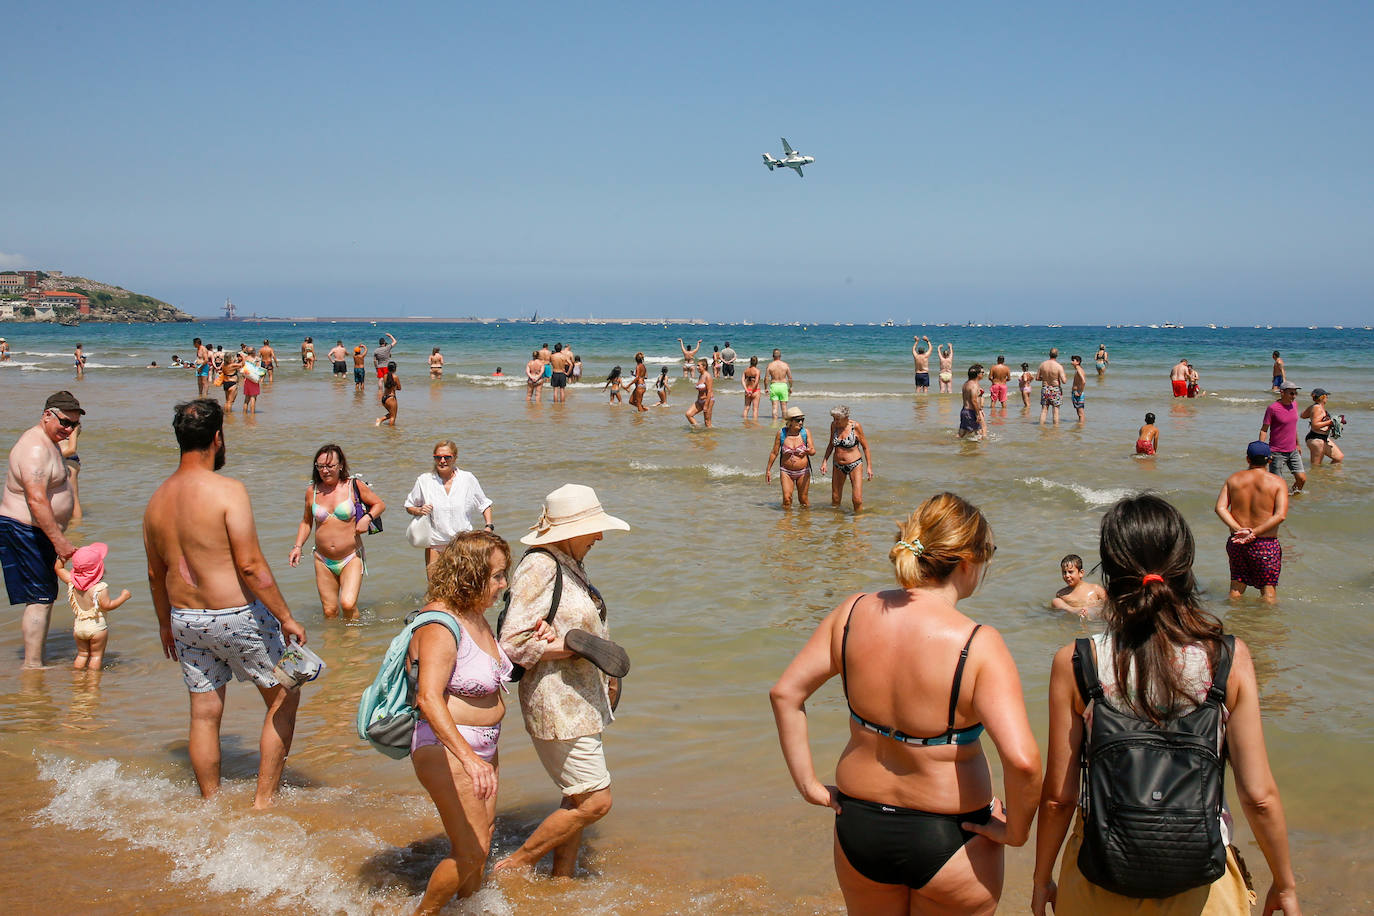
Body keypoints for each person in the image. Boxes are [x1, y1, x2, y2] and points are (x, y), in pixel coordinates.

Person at [771, 492, 1041, 915]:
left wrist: (808, 784)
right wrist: (1018, 831)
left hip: (859, 829)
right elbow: (1023, 761)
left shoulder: (855, 611)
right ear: (966, 561)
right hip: (953, 834)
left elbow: (785, 693)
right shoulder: (977, 643)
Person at [1032, 494, 1300, 916]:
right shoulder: (1226, 659)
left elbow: (1058, 799)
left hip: (1098, 876)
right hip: (1201, 882)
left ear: (1112, 572)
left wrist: (1041, 877)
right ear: (1184, 566)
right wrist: (1284, 884)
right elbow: (1259, 796)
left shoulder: (1078, 661)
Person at [142, 398, 307, 808]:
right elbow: (250, 565)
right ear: (217, 438)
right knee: (285, 696)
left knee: (204, 713)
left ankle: (210, 803)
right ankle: (263, 801)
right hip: (235, 616)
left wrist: (165, 624)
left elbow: (154, 573)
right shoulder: (227, 490)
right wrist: (285, 616)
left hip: (185, 619)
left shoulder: (156, 502)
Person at [494, 484, 631, 877]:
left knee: (577, 797)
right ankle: (513, 866)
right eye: (594, 528)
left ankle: (563, 881)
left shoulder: (568, 562)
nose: (600, 536)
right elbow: (512, 642)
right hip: (556, 701)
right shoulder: (540, 565)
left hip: (579, 701)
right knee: (595, 802)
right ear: (571, 531)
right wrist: (573, 648)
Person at [407, 531, 521, 911]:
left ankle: (464, 908)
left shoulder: (476, 616)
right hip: (448, 747)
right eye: (498, 576)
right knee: (472, 850)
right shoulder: (440, 625)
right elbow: (428, 698)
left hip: (484, 745)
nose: (503, 584)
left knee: (483, 837)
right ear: (471, 575)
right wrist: (470, 760)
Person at [1, 391, 83, 668]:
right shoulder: (34, 448)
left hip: (36, 530)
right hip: (25, 529)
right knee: (39, 598)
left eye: (74, 425)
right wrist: (59, 540)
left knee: (44, 595)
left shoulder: (48, 442)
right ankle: (32, 664)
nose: (69, 429)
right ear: (47, 415)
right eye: (64, 422)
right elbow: (36, 500)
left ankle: (37, 658)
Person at [288, 444, 385, 620]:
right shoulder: (312, 491)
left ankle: (352, 643)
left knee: (347, 604)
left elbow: (379, 504)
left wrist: (367, 518)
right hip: (322, 559)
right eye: (320, 466)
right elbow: (306, 522)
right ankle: (334, 644)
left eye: (330, 466)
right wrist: (297, 546)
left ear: (340, 465)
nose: (325, 471)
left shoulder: (353, 485)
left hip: (351, 556)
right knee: (329, 611)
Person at [405, 439, 494, 572]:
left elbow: (484, 504)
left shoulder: (467, 479)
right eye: (438, 457)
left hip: (463, 543)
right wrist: (419, 510)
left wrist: (489, 526)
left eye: (447, 457)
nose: (442, 461)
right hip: (435, 544)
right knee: (436, 589)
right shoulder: (424, 480)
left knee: (463, 587)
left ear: (455, 458)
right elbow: (409, 506)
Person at [1215, 441, 1288, 603]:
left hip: (1237, 541)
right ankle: (1265, 626)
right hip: (1265, 544)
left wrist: (1239, 529)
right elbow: (1280, 515)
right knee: (1268, 591)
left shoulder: (1233, 479)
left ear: (1248, 459)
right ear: (1269, 460)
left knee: (1236, 587)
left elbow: (1220, 508)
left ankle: (1235, 624)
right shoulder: (1278, 482)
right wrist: (1253, 533)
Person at [56, 542, 132, 670]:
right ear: (98, 568)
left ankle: (78, 679)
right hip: (97, 629)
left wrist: (63, 557)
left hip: (79, 627)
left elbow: (58, 568)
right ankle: (92, 684)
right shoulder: (100, 588)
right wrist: (123, 597)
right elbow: (107, 605)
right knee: (96, 656)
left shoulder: (72, 582)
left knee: (82, 655)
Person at [820, 405, 873, 511]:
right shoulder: (834, 426)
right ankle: (838, 523)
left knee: (857, 500)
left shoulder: (856, 426)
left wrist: (869, 467)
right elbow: (831, 444)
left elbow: (865, 447)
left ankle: (857, 524)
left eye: (837, 419)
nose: (835, 421)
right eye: (833, 418)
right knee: (835, 499)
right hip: (837, 465)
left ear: (846, 417)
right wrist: (824, 461)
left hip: (855, 464)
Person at [764, 406, 815, 508]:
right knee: (787, 499)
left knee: (803, 500)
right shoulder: (781, 434)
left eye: (802, 420)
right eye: (798, 420)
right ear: (790, 421)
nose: (801, 422)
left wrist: (808, 451)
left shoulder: (805, 433)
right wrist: (768, 470)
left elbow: (813, 451)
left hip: (803, 471)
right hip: (786, 471)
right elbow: (774, 452)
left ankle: (805, 522)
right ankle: (787, 522)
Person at [1260, 382, 1305, 494]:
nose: (1294, 396)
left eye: (1295, 393)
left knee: (1302, 479)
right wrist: (1262, 449)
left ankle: (1291, 498)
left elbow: (1293, 427)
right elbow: (1264, 430)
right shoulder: (1272, 408)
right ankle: (1279, 502)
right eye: (1291, 393)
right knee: (1277, 485)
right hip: (1277, 453)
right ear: (1282, 392)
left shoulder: (1295, 405)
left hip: (1293, 450)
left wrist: (1298, 444)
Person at [1301, 388, 1344, 466]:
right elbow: (1315, 425)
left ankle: (1326, 476)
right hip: (1316, 439)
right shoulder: (1317, 408)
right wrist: (1331, 422)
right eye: (1326, 396)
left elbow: (1302, 415)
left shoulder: (1314, 407)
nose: (1327, 398)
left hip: (1322, 437)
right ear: (1322, 397)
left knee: (1339, 457)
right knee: (1316, 466)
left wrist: (1312, 414)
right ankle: (1316, 477)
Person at [58, 418, 82, 521]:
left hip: (69, 460)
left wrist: (53, 456)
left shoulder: (74, 425)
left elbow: (72, 449)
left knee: (73, 497)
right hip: (61, 460)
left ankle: (77, 526)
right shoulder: (54, 423)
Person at [1038, 349, 1067, 424]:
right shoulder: (1059, 366)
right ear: (1057, 355)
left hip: (1045, 388)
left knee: (1044, 410)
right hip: (1055, 389)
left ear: (1049, 354)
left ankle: (1041, 427)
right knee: (1055, 411)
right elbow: (1064, 381)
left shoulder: (1042, 364)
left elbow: (1037, 378)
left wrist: (1045, 378)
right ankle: (1055, 429)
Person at [958, 365, 986, 439]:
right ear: (977, 374)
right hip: (971, 412)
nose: (983, 374)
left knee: (962, 433)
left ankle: (950, 444)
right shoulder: (974, 385)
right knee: (979, 434)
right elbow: (973, 400)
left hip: (964, 411)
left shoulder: (966, 384)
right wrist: (977, 414)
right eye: (982, 372)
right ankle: (978, 450)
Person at [765, 349, 793, 420]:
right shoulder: (785, 365)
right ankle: (784, 423)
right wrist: (791, 387)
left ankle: (774, 422)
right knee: (784, 407)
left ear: (773, 356)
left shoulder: (770, 365)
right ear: (780, 356)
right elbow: (790, 378)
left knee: (774, 407)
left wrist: (766, 388)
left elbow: (766, 378)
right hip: (783, 386)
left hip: (774, 385)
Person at [685, 358, 714, 428]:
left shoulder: (708, 376)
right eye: (697, 366)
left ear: (704, 366)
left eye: (698, 366)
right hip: (700, 401)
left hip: (708, 400)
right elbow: (700, 391)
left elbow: (709, 391)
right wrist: (698, 400)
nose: (697, 367)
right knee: (688, 414)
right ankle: (698, 429)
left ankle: (708, 437)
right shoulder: (701, 375)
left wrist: (706, 405)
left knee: (707, 422)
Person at [376, 361, 401, 426]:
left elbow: (387, 386)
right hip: (391, 398)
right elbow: (399, 388)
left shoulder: (385, 376)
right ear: (395, 369)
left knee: (391, 414)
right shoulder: (395, 377)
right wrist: (394, 388)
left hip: (384, 398)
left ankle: (380, 420)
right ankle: (391, 433)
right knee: (393, 416)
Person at [241, 349, 264, 415]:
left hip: (247, 380)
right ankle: (252, 415)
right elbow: (258, 369)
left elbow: (242, 368)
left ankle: (244, 414)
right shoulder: (256, 359)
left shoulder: (245, 359)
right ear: (253, 352)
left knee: (246, 399)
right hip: (253, 380)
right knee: (253, 398)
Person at [1069, 355, 1086, 421]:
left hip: (1078, 393)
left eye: (1073, 360)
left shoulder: (1079, 370)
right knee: (1079, 413)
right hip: (1076, 393)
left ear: (1078, 362)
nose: (1071, 362)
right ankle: (1079, 427)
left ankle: (1081, 426)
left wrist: (1080, 392)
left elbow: (1083, 381)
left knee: (1080, 413)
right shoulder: (1078, 369)